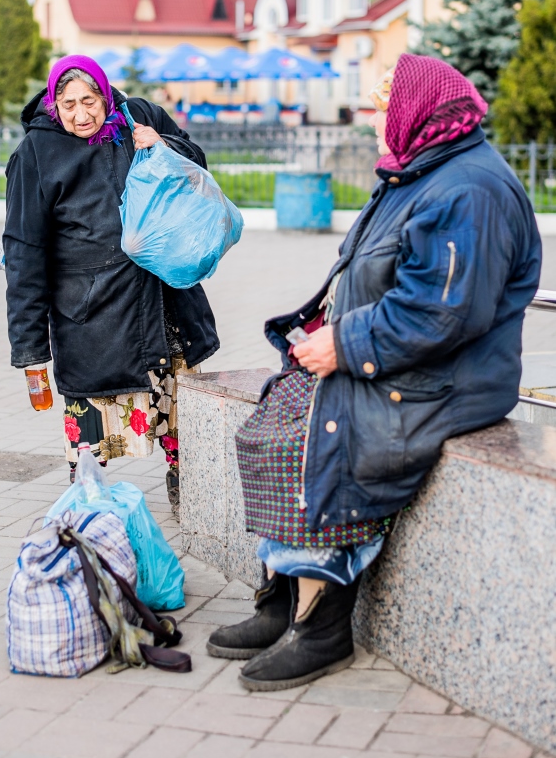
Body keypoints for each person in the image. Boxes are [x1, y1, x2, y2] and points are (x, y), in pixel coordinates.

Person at [207, 53, 542, 691]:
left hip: (443, 379)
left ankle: (323, 623)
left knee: (322, 438)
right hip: (393, 360)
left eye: (384, 105)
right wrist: (324, 333)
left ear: (418, 107)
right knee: (275, 418)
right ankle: (281, 593)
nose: (377, 120)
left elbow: (444, 313)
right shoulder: (421, 171)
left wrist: (346, 343)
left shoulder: (471, 188)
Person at [3, 54, 219, 516]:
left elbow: (199, 165)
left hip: (165, 302)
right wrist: (30, 350)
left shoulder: (138, 116)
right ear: (52, 105)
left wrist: (162, 145)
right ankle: (87, 509)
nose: (82, 114)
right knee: (91, 432)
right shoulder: (37, 154)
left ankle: (190, 494)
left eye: (90, 100)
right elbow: (23, 251)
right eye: (68, 104)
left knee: (180, 406)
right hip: (94, 316)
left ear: (105, 94)